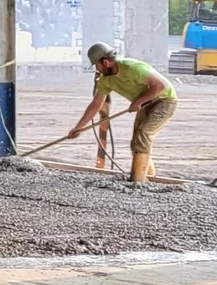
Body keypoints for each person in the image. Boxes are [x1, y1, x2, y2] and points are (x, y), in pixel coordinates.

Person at [70, 42, 176, 182]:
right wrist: (79, 128)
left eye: (97, 66)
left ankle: (138, 180)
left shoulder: (132, 68)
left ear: (106, 62)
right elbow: (95, 105)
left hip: (164, 100)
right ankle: (149, 178)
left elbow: (161, 86)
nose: (97, 70)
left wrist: (138, 102)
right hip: (145, 103)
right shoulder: (105, 81)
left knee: (144, 134)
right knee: (136, 143)